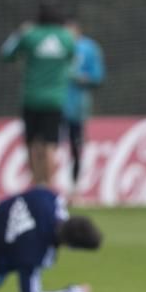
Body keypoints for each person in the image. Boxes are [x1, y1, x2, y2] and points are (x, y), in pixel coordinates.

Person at [1, 2, 76, 187]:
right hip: (55, 99)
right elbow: (72, 60)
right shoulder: (66, 38)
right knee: (50, 144)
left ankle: (36, 185)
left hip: (31, 98)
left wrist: (19, 33)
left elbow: (6, 54)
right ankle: (50, 186)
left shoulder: (30, 35)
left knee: (32, 144)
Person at [62, 16, 106, 198]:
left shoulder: (89, 48)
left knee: (75, 147)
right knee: (47, 146)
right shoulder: (58, 47)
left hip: (77, 108)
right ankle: (44, 188)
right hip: (54, 106)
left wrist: (79, 77)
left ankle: (74, 189)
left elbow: (98, 76)